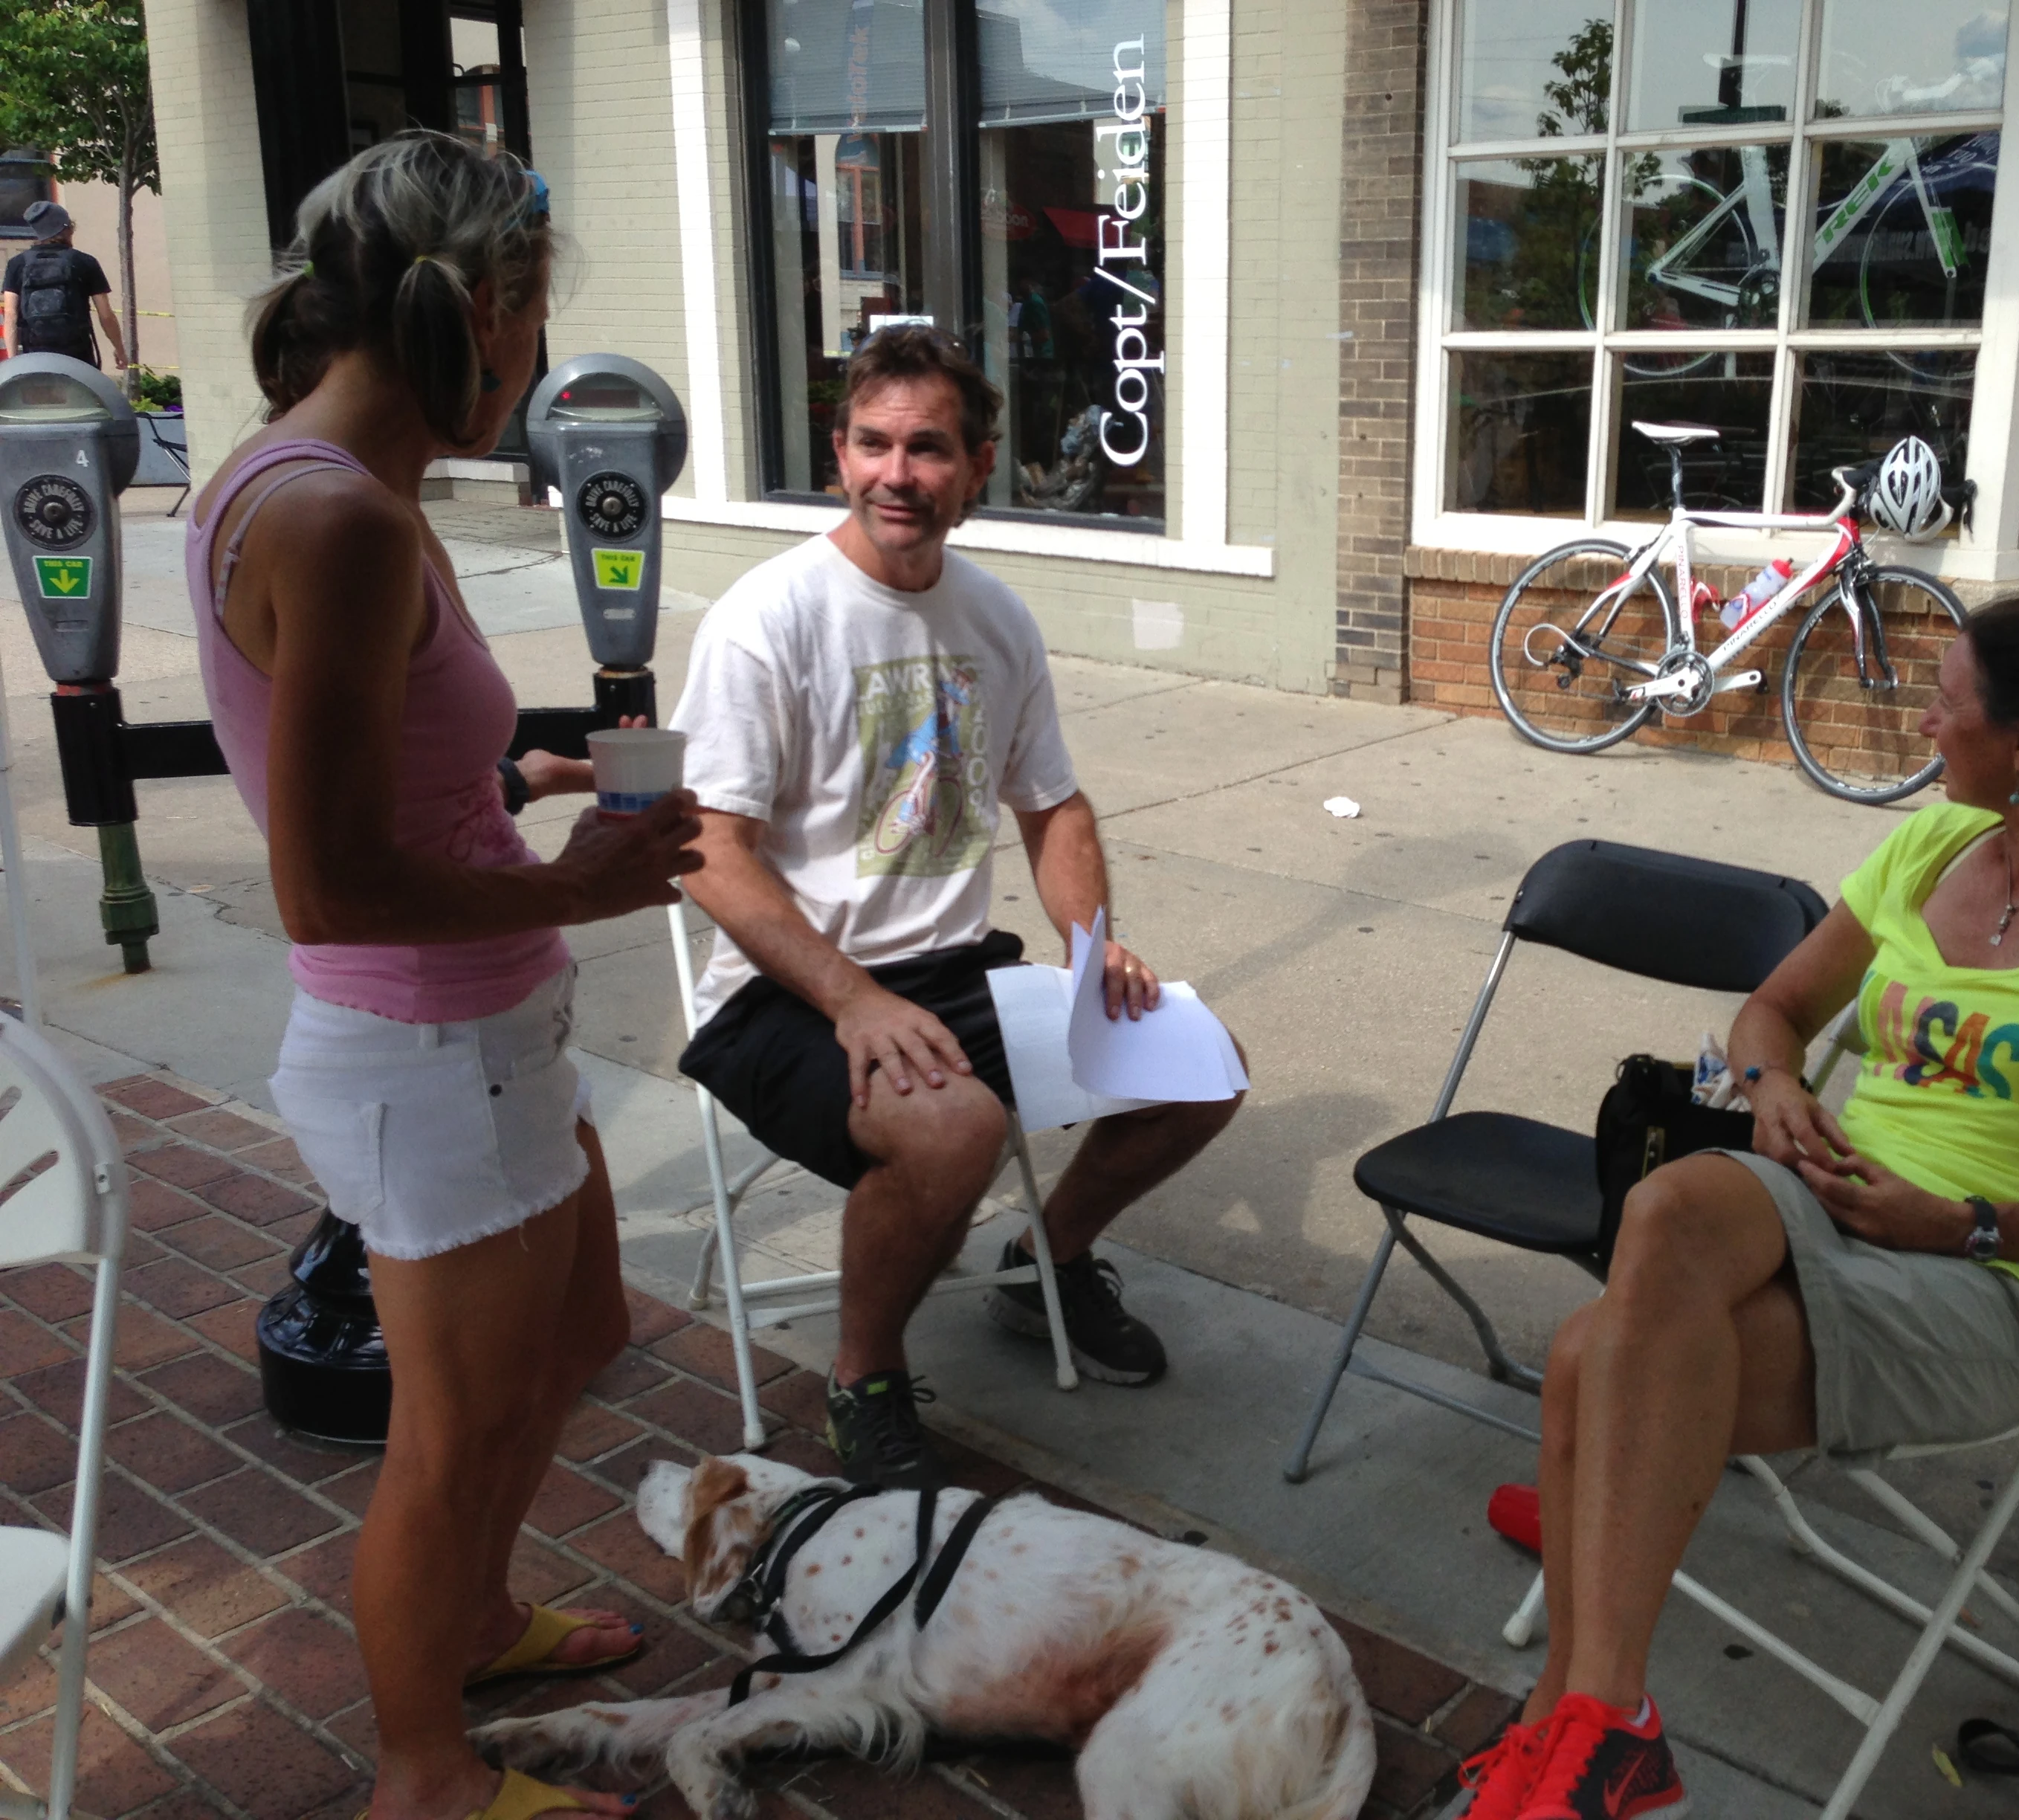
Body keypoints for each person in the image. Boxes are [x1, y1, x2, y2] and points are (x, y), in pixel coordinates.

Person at [1462, 593, 2019, 1819]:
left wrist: (1967, 1222)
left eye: (1946, 694)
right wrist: (1774, 1085)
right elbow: (1770, 1009)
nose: (1923, 717)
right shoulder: (1928, 851)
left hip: (1989, 1287)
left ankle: (1562, 1713)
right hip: (1825, 1201)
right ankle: (1605, 1722)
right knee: (1665, 1208)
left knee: (1588, 1353)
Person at [186, 132, 701, 1820]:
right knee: (451, 1435)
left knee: (584, 1327)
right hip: (426, 1051)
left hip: (483, 1034)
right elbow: (323, 880)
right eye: (537, 324)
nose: (537, 372)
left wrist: (518, 795)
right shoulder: (339, 520)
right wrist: (575, 875)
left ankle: (476, 1618)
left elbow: (349, 775)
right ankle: (426, 1770)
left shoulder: (295, 481)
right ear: (488, 308)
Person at [673, 325, 1244, 1489]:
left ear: (978, 467)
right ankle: (864, 1373)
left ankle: (1046, 1262)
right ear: (839, 455)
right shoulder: (767, 618)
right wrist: (851, 1000)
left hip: (954, 969)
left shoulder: (995, 617)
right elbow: (705, 852)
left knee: (1204, 1065)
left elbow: (1056, 809)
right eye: (874, 444)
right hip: (787, 994)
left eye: (928, 448)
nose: (898, 473)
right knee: (956, 1128)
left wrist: (1094, 952)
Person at [2, 199, 127, 370]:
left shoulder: (17, 264)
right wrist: (119, 349)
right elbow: (106, 315)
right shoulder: (85, 262)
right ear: (67, 230)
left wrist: (13, 361)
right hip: (78, 355)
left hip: (35, 356)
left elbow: (10, 315)